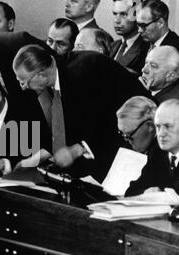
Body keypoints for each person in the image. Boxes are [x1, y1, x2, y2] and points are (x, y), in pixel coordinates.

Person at [13, 44, 150, 182]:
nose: (23, 88)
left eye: (24, 82)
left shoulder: (83, 73)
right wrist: (35, 159)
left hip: (136, 134)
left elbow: (104, 122)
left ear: (40, 74)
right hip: (103, 140)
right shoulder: (54, 77)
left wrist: (76, 149)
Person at [126, 99, 179, 204]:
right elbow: (131, 191)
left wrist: (160, 196)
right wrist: (146, 193)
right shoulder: (157, 153)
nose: (161, 134)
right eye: (158, 126)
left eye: (168, 126)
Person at [136, 0, 179, 88]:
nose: (139, 30)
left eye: (143, 26)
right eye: (138, 25)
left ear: (160, 22)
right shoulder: (144, 42)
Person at [110, 0, 149, 74]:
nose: (117, 20)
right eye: (115, 14)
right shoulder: (112, 46)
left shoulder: (147, 49)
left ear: (137, 15)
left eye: (123, 14)